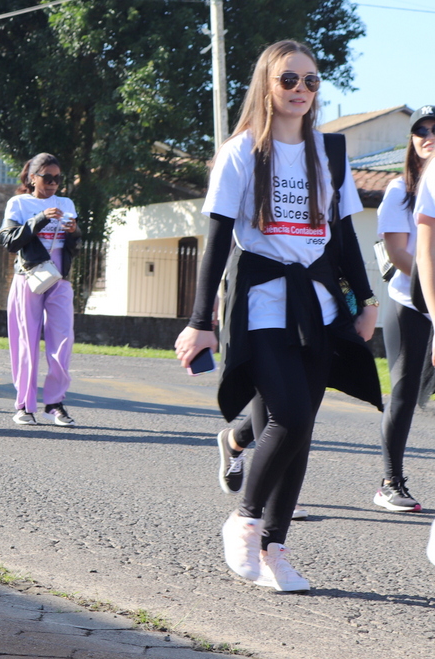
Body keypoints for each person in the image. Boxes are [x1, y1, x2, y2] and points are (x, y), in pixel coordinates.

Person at [176, 40, 380, 593]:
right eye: (289, 79)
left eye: (311, 81)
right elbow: (218, 240)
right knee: (289, 417)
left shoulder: (329, 152)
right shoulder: (242, 151)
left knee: (299, 429)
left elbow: (343, 237)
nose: (300, 90)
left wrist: (366, 301)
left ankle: (274, 550)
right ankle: (243, 522)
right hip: (262, 304)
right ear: (267, 84)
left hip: (317, 307)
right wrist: (199, 321)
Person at [373, 105, 435, 513]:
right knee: (404, 391)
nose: (428, 136)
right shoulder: (401, 189)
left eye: (434, 129)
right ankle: (389, 482)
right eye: (420, 131)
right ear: (411, 141)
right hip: (408, 304)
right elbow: (398, 252)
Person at [0, 153, 82, 427]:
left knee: (63, 339)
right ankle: (24, 405)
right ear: (32, 178)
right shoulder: (19, 203)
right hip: (30, 275)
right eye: (47, 178)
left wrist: (74, 231)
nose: (53, 183)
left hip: (59, 276)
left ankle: (55, 403)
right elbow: (10, 242)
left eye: (58, 179)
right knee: (27, 340)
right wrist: (40, 218)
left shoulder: (66, 203)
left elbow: (74, 245)